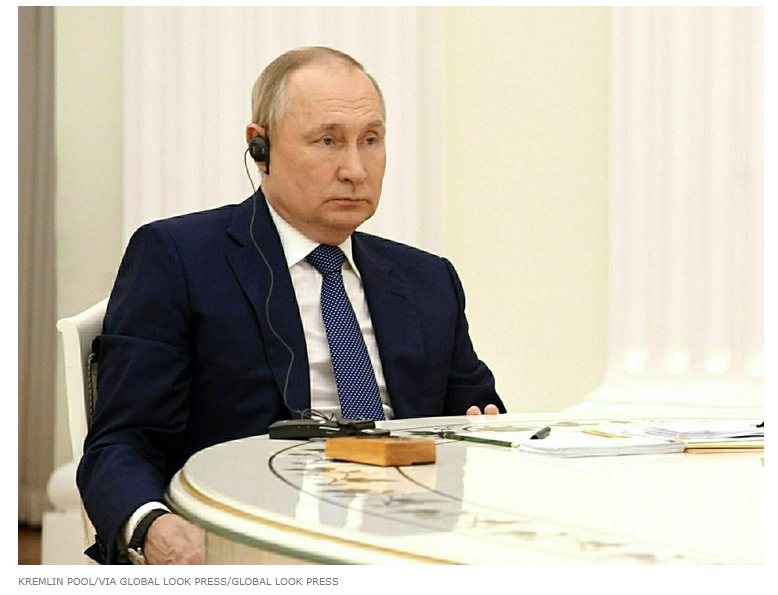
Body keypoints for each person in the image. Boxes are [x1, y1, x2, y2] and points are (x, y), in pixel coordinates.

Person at [77, 46, 504, 565]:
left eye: (370, 140)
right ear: (261, 150)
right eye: (328, 141)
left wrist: (487, 433)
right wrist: (153, 527)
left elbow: (478, 419)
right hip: (251, 545)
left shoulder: (428, 280)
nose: (355, 169)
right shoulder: (178, 258)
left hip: (408, 543)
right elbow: (121, 444)